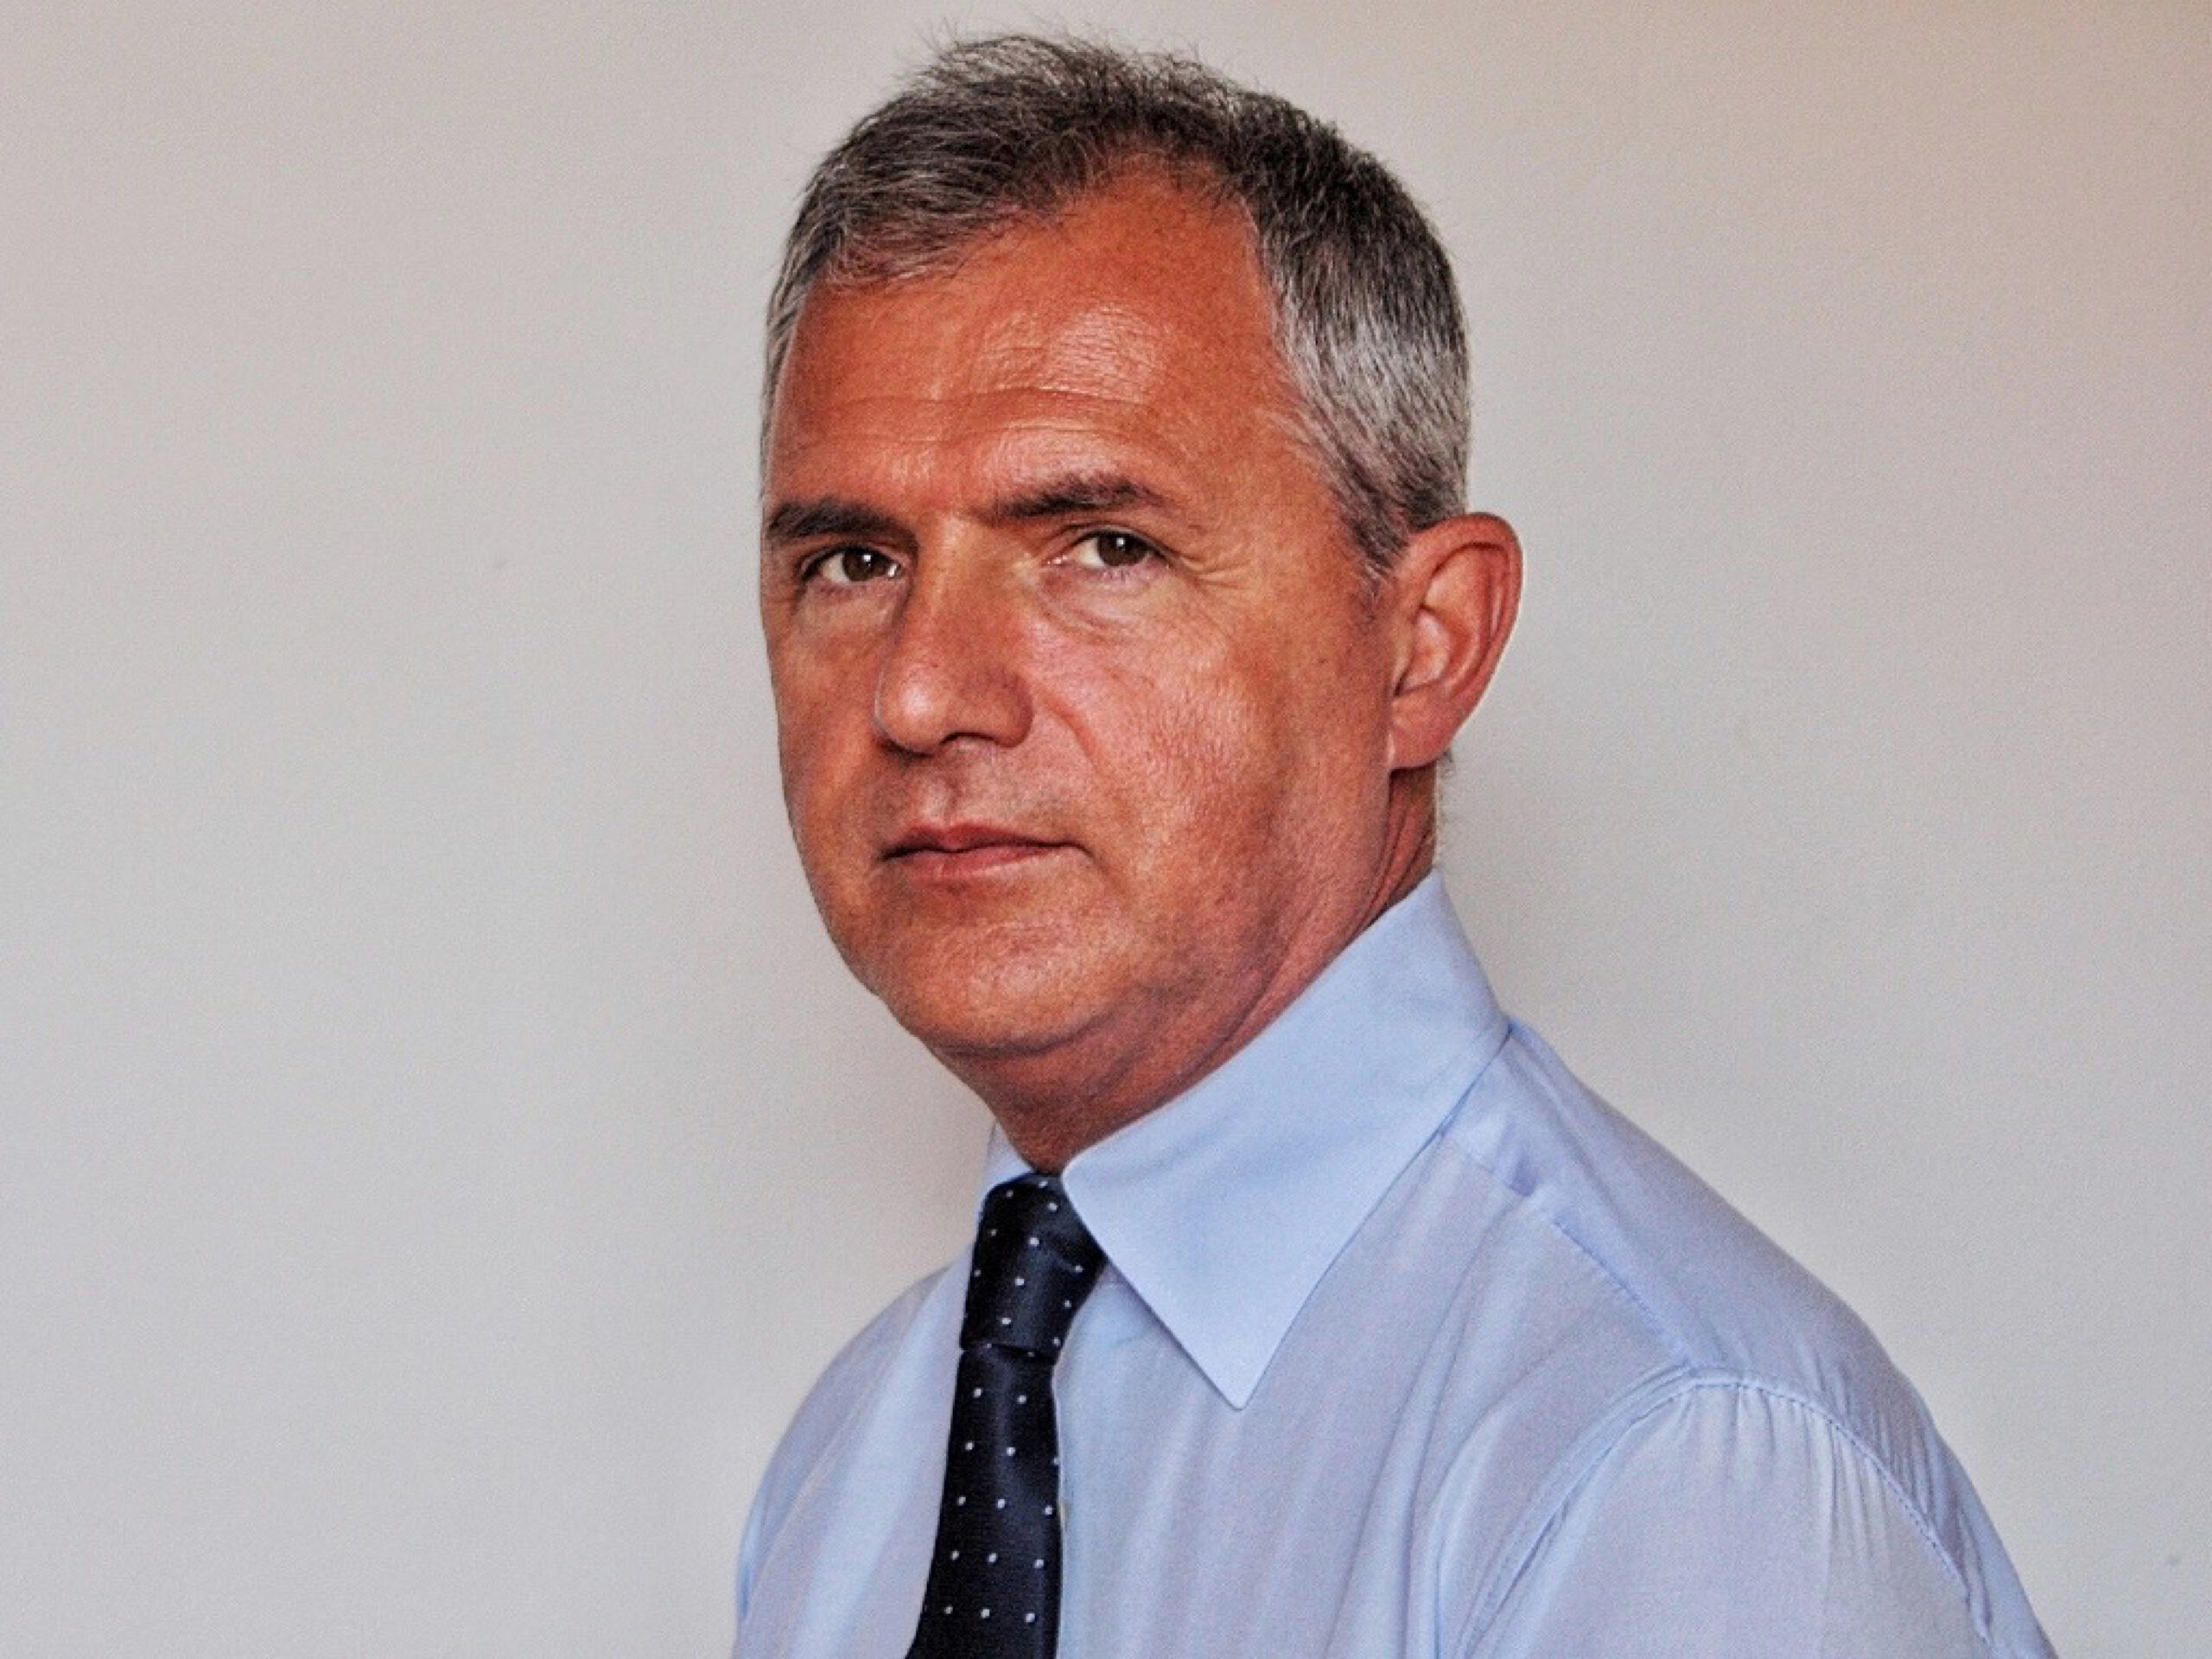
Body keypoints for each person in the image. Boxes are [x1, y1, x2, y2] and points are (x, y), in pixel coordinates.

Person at [734, 33, 2053, 1659]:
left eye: (1103, 546)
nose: (923, 692)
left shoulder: (1663, 1464)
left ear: (1425, 646)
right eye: (854, 563)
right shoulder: (850, 1467)